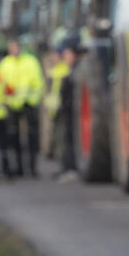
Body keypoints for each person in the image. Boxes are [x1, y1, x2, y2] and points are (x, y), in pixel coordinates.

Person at [0, 38, 45, 178]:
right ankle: (18, 168)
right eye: (13, 47)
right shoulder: (5, 64)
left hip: (29, 103)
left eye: (17, 47)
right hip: (12, 105)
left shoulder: (31, 61)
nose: (15, 50)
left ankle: (32, 168)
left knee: (31, 137)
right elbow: (1, 84)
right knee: (14, 138)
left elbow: (38, 82)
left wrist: (33, 99)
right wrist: (5, 101)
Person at [50, 40, 81, 183]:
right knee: (64, 141)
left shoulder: (70, 70)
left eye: (67, 54)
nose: (64, 56)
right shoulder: (63, 69)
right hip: (62, 111)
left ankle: (71, 169)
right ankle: (66, 168)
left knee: (68, 141)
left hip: (69, 111)